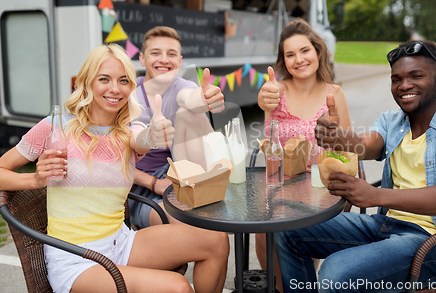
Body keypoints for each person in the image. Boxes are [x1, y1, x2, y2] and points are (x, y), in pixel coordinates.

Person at [0, 44, 229, 293]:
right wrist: (34, 180)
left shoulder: (129, 132)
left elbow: (144, 139)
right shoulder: (55, 128)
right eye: (104, 79)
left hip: (121, 243)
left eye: (123, 80)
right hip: (76, 258)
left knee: (216, 240)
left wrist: (155, 133)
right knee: (178, 287)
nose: (114, 88)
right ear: (86, 84)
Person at [275, 40, 436, 293]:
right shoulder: (393, 121)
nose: (404, 86)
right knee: (289, 228)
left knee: (336, 273)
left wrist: (376, 196)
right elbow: (363, 144)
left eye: (416, 76)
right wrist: (337, 136)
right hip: (387, 225)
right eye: (396, 79)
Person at [257, 18, 352, 292]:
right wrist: (264, 100)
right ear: (283, 61)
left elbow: (346, 149)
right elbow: (269, 139)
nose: (299, 59)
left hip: (321, 187)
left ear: (318, 51)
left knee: (299, 234)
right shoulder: (276, 91)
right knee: (265, 233)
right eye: (290, 54)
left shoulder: (335, 93)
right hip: (281, 182)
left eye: (304, 50)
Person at [129, 26, 225, 228]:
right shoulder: (128, 94)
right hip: (140, 190)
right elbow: (111, 159)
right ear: (143, 59)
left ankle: (205, 189)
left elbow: (191, 98)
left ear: (179, 62)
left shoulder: (179, 85)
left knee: (188, 112)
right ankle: (203, 204)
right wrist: (154, 184)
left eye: (171, 54)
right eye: (155, 53)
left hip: (177, 176)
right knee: (193, 226)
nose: (164, 59)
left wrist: (206, 98)